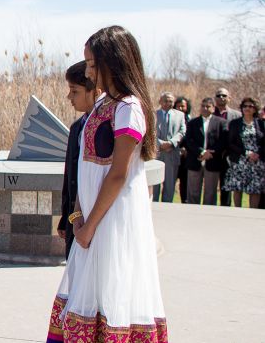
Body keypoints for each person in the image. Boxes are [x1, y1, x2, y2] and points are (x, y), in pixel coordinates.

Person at [45, 26, 167, 343]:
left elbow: (118, 174)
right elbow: (85, 167)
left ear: (112, 62)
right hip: (91, 223)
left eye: (91, 63)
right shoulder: (101, 105)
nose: (87, 70)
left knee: (113, 296)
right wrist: (76, 216)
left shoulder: (129, 108)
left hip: (112, 223)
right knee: (88, 298)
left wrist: (90, 225)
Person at [57, 61, 96, 260]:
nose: (69, 97)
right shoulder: (76, 128)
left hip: (92, 225)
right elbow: (70, 178)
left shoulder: (103, 129)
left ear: (93, 91)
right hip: (75, 222)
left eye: (75, 91)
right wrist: (66, 217)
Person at [183, 98, 228, 205]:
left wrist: (210, 153)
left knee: (210, 192)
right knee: (193, 192)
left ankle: (209, 217)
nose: (204, 108)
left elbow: (223, 141)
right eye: (202, 106)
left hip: (213, 161)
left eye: (207, 106)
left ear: (213, 108)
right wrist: (201, 152)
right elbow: (188, 141)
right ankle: (193, 214)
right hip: (195, 160)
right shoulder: (193, 122)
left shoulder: (221, 123)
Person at [223, 97, 265, 208]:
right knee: (237, 187)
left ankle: (253, 213)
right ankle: (238, 212)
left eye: (250, 106)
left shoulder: (261, 124)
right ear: (241, 108)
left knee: (255, 188)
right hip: (240, 160)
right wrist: (246, 153)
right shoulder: (235, 124)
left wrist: (258, 154)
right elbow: (231, 143)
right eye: (245, 106)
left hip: (257, 161)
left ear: (255, 109)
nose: (247, 108)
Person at [153, 92, 186, 202]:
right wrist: (160, 144)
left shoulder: (180, 115)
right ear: (160, 101)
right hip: (157, 153)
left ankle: (167, 208)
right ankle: (154, 206)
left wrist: (171, 142)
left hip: (172, 153)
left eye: (171, 101)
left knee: (170, 185)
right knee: (154, 184)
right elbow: (149, 132)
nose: (168, 103)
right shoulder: (153, 114)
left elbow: (182, 131)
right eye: (166, 100)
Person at [213, 87, 242, 206]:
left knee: (226, 184)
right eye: (219, 95)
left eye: (224, 95)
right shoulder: (209, 112)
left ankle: (226, 208)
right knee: (211, 186)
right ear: (215, 98)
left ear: (229, 98)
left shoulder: (237, 115)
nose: (221, 98)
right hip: (213, 154)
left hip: (229, 156)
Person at [173, 96, 192, 203]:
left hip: (186, 157)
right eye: (178, 106)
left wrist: (186, 148)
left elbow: (191, 138)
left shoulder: (191, 120)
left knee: (185, 182)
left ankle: (185, 202)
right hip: (174, 153)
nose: (180, 108)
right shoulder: (172, 119)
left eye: (183, 106)